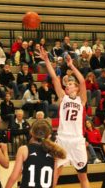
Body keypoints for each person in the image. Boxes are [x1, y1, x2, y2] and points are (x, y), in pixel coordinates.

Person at [39, 48, 90, 188]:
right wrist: (47, 60)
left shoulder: (82, 100)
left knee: (83, 176)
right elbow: (55, 78)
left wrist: (71, 65)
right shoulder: (63, 97)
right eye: (67, 84)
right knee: (56, 172)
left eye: (71, 83)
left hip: (77, 140)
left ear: (76, 88)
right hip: (62, 139)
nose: (68, 84)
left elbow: (83, 81)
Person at [5, 120, 66, 188]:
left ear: (31, 132)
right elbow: (54, 182)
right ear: (49, 136)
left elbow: (14, 176)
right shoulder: (53, 152)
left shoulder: (23, 149)